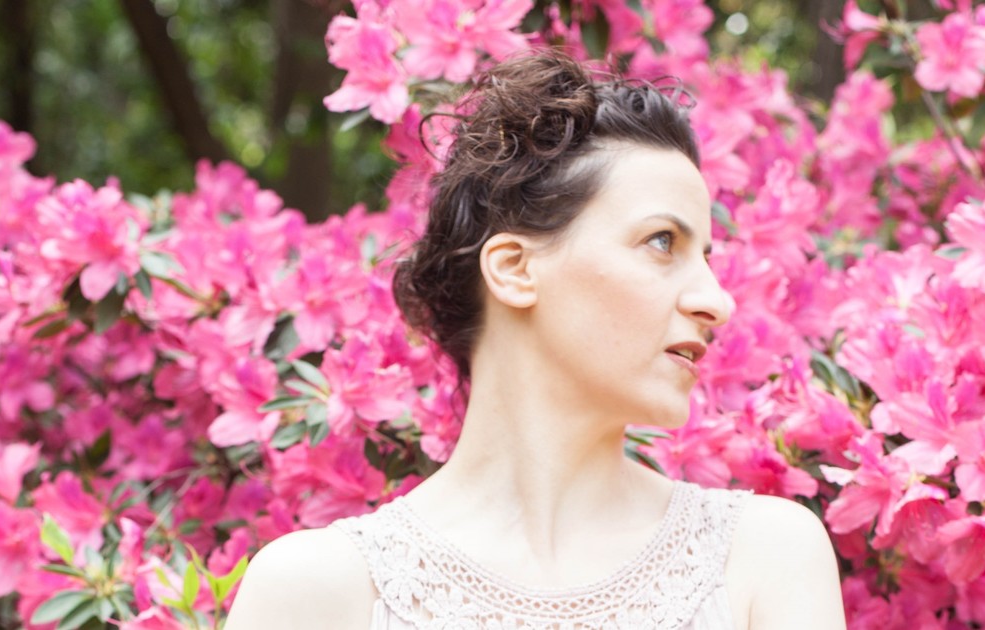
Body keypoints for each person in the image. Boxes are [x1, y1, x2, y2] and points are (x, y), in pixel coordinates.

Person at [225, 49, 846, 629]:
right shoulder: (316, 593)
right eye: (662, 242)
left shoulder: (762, 560)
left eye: (706, 257)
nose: (717, 301)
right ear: (515, 270)